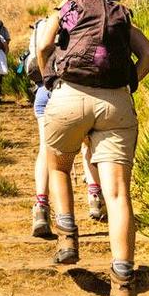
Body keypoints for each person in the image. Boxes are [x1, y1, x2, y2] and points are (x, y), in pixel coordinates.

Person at [36, 0, 149, 296]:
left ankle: (68, 237)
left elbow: (44, 46)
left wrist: (48, 79)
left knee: (58, 166)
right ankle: (123, 286)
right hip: (115, 103)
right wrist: (129, 83)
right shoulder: (120, 14)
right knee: (117, 194)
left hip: (69, 96)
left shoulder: (66, 11)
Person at [30, 19, 106, 238]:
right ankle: (95, 198)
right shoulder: (99, 18)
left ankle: (41, 209)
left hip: (48, 90)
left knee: (46, 150)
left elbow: (41, 49)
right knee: (88, 145)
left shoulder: (50, 21)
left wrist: (47, 79)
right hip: (82, 89)